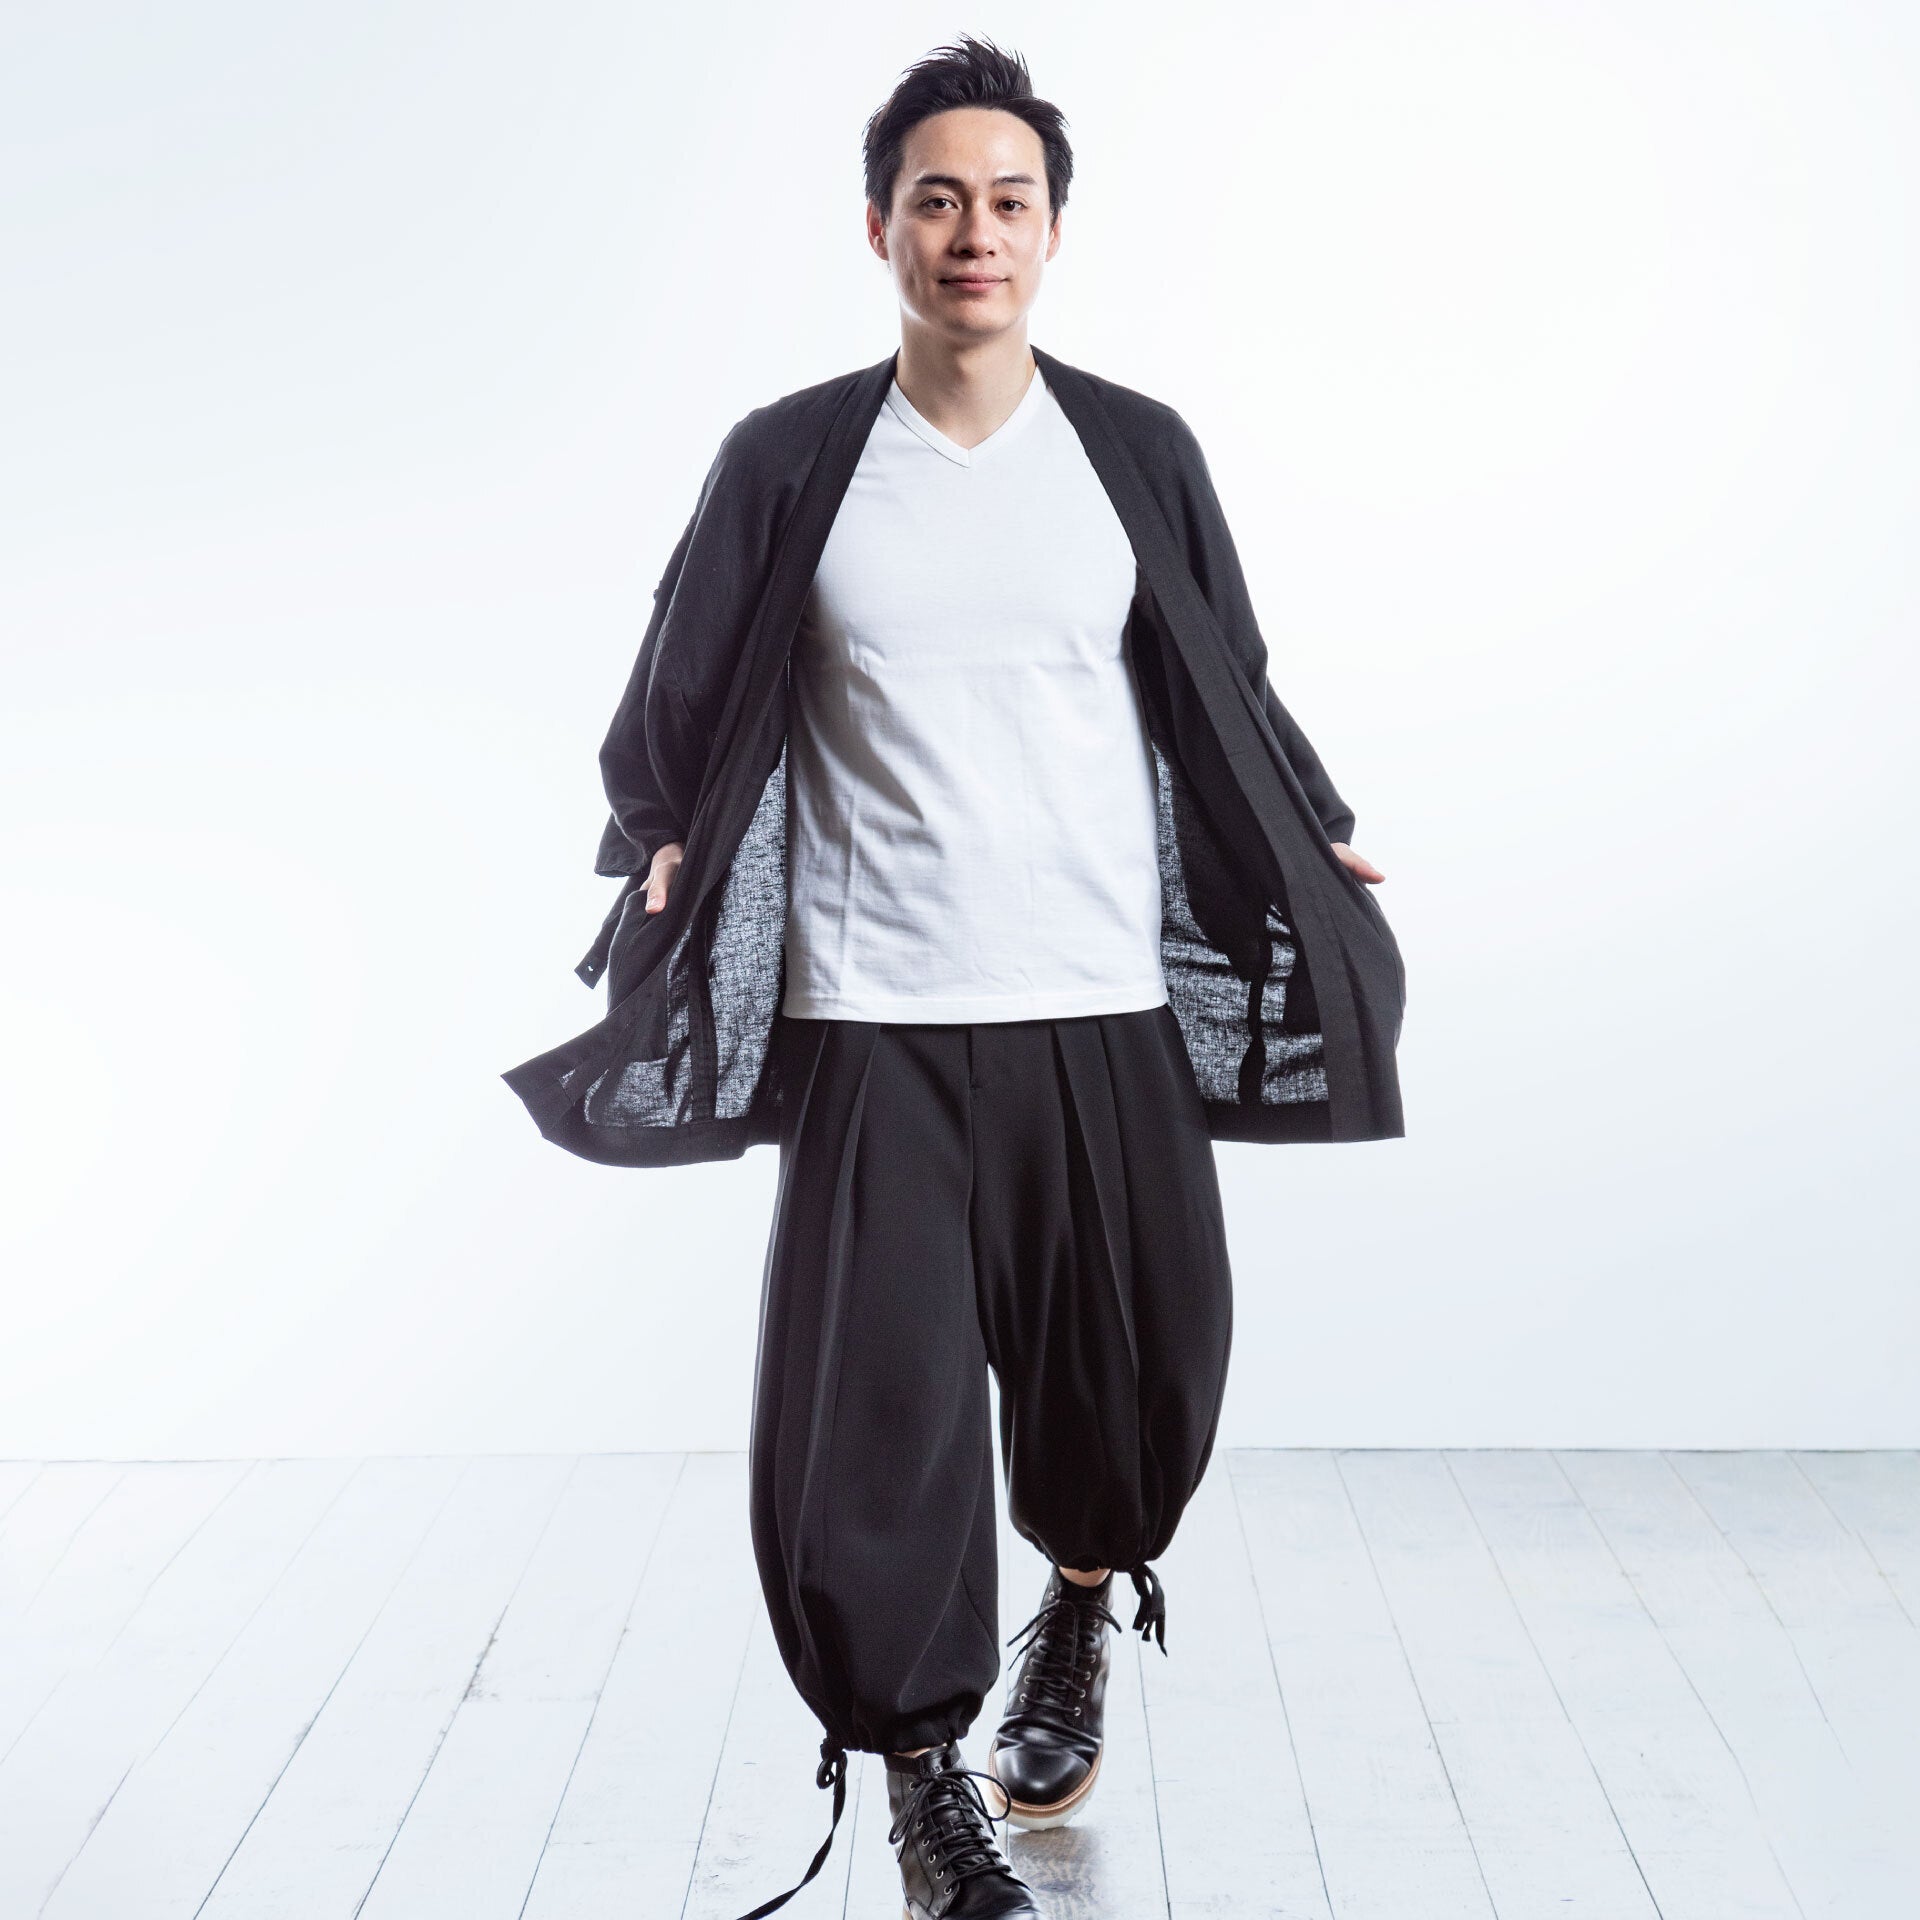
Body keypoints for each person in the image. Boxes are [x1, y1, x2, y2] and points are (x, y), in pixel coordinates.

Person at [501, 33, 1404, 1920]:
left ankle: (1077, 1604)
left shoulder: (1133, 452)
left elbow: (1226, 683)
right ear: (880, 230)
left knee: (1139, 1375)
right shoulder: (792, 460)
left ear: (1054, 231)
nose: (974, 232)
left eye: (1008, 199)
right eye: (937, 200)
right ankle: (922, 1781)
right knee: (875, 1428)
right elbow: (680, 687)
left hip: (1098, 1001)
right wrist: (661, 835)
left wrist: (1310, 827)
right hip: (874, 1020)